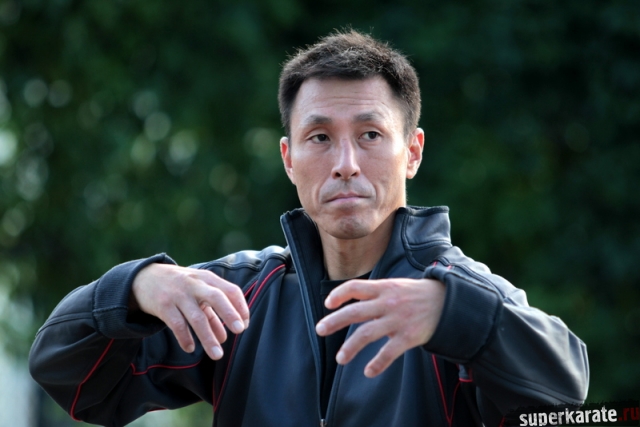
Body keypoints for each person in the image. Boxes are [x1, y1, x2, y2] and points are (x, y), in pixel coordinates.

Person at [29, 30, 589, 427]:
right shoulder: (237, 299)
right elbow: (70, 378)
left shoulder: (465, 300)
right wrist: (134, 287)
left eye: (370, 135)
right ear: (289, 159)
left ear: (413, 152)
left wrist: (455, 316)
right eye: (319, 137)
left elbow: (566, 402)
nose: (345, 163)